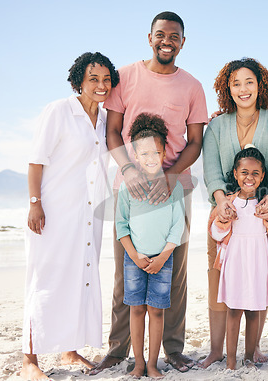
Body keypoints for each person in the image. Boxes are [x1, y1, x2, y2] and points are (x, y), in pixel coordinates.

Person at [90, 11, 208, 375]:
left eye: (174, 36)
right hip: (130, 190)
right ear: (149, 37)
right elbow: (112, 132)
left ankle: (172, 350)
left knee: (173, 275)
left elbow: (195, 141)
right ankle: (117, 350)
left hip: (175, 190)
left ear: (183, 42)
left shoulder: (192, 86)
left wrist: (170, 177)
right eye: (160, 34)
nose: (166, 41)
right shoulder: (125, 77)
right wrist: (128, 170)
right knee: (127, 274)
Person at [21, 52, 119, 381]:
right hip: (53, 212)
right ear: (79, 80)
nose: (101, 85)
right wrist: (35, 202)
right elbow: (36, 160)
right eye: (94, 79)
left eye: (106, 79)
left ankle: (70, 349)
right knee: (44, 279)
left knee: (82, 278)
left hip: (88, 215)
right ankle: (29, 359)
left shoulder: (105, 120)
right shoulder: (59, 111)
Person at [202, 58, 268, 368]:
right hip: (226, 213)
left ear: (260, 86)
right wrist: (220, 201)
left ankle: (253, 348)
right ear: (227, 88)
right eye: (236, 83)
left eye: (249, 82)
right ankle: (217, 350)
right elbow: (212, 168)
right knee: (220, 279)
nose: (243, 89)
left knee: (261, 280)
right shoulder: (216, 125)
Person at [115, 113, 185, 378]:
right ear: (134, 155)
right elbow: (121, 226)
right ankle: (139, 363)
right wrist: (134, 255)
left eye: (156, 152)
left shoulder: (172, 187)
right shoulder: (127, 188)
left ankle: (153, 364)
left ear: (165, 150)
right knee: (136, 310)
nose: (151, 158)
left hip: (162, 258)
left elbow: (178, 226)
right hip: (134, 259)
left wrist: (162, 257)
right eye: (144, 154)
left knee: (156, 311)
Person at [208, 147, 268, 370]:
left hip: (259, 261)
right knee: (234, 310)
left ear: (263, 176)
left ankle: (249, 357)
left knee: (255, 311)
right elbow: (215, 234)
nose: (249, 178)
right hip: (236, 261)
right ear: (235, 174)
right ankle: (232, 361)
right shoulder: (228, 203)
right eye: (244, 172)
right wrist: (224, 221)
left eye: (255, 173)